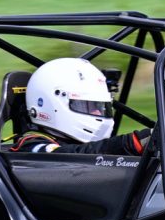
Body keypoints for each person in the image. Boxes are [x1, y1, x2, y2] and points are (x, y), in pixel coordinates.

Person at [8, 57, 149, 155]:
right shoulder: (31, 146)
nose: (97, 113)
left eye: (101, 107)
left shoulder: (77, 142)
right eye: (86, 105)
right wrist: (131, 143)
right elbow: (66, 157)